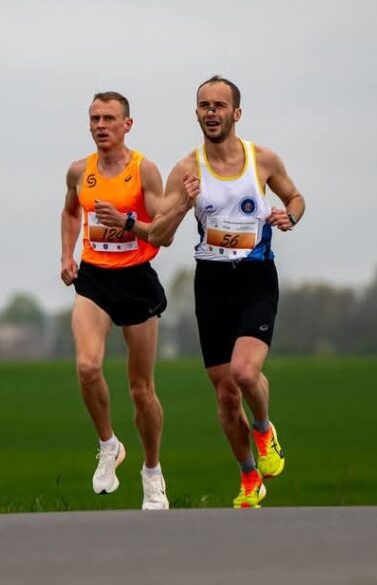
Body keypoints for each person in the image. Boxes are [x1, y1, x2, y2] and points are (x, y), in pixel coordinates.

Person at [149, 75, 306, 509]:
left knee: (244, 373)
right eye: (204, 105)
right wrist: (184, 204)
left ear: (236, 113)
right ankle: (249, 476)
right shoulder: (186, 169)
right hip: (212, 283)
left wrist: (290, 216)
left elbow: (296, 198)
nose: (211, 112)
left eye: (219, 105)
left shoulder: (262, 159)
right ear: (196, 113)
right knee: (224, 392)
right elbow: (159, 235)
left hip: (255, 279)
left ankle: (264, 430)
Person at [60, 91, 170, 510]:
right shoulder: (78, 171)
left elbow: (159, 228)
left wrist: (125, 222)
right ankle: (109, 444)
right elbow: (71, 212)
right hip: (95, 279)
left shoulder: (145, 170)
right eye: (95, 119)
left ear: (128, 124)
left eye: (109, 118)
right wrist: (66, 256)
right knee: (87, 366)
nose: (101, 126)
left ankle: (152, 473)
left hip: (136, 279)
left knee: (141, 390)